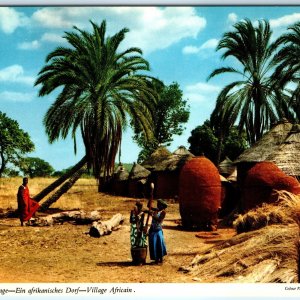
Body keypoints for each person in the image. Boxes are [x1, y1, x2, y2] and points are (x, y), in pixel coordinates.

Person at [148, 199, 167, 264]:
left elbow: (159, 220)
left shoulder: (163, 212)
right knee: (154, 245)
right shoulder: (156, 210)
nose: (158, 205)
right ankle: (156, 260)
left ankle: (161, 259)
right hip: (153, 229)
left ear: (162, 206)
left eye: (159, 204)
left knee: (159, 245)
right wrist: (150, 198)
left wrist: (152, 215)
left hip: (158, 230)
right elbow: (149, 206)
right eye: (157, 204)